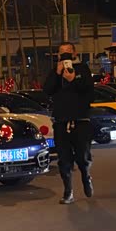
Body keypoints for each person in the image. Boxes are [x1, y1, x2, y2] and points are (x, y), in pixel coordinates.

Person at [43, 42, 95, 204]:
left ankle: (86, 176)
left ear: (74, 54)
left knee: (82, 156)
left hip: (81, 120)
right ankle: (68, 191)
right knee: (64, 159)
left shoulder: (82, 69)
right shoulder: (55, 71)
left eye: (67, 52)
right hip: (61, 121)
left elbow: (89, 91)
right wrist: (57, 74)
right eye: (61, 53)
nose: (64, 55)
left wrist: (73, 80)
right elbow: (47, 90)